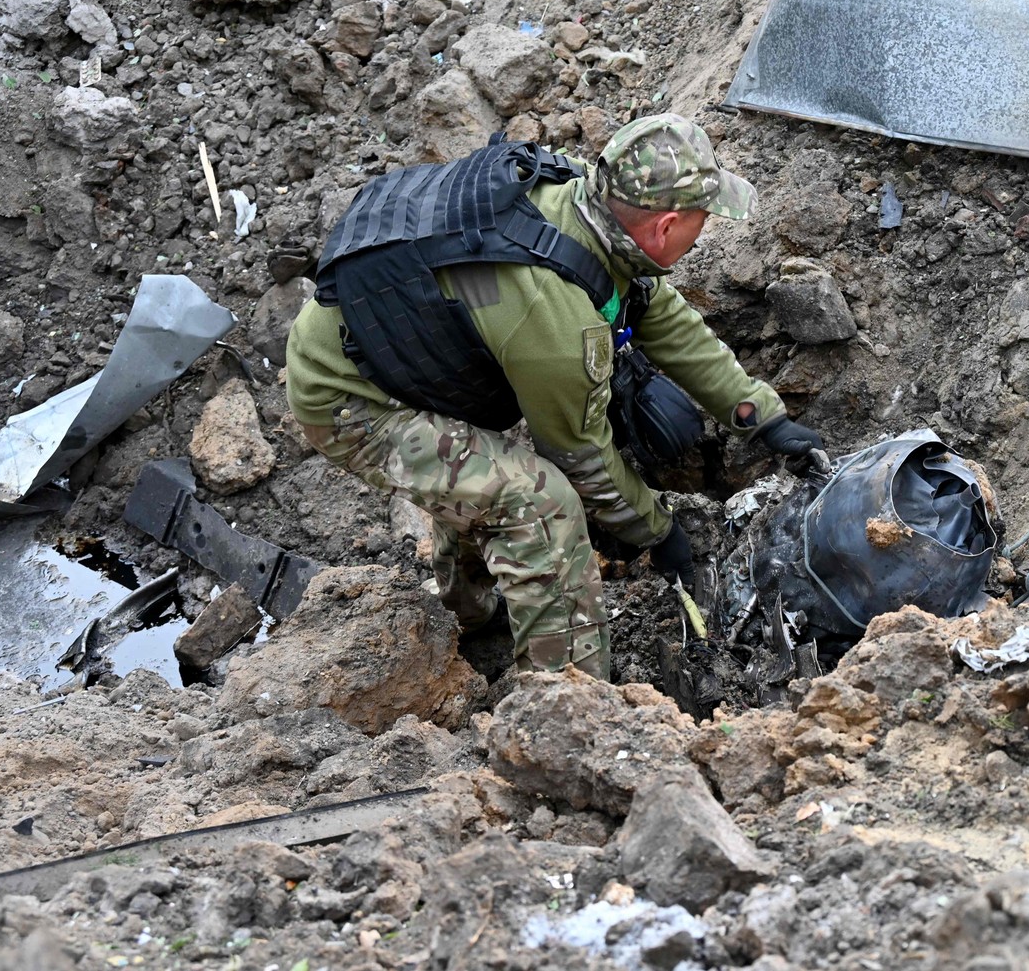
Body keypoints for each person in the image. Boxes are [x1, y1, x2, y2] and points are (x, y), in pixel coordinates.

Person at [283, 114, 823, 679]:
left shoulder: (586, 199)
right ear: (664, 227)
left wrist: (757, 415)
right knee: (538, 503)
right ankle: (565, 700)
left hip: (395, 347)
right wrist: (658, 531)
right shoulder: (560, 326)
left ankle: (465, 614)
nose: (704, 228)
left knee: (484, 473)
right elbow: (581, 457)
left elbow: (655, 309)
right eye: (702, 218)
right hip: (347, 398)